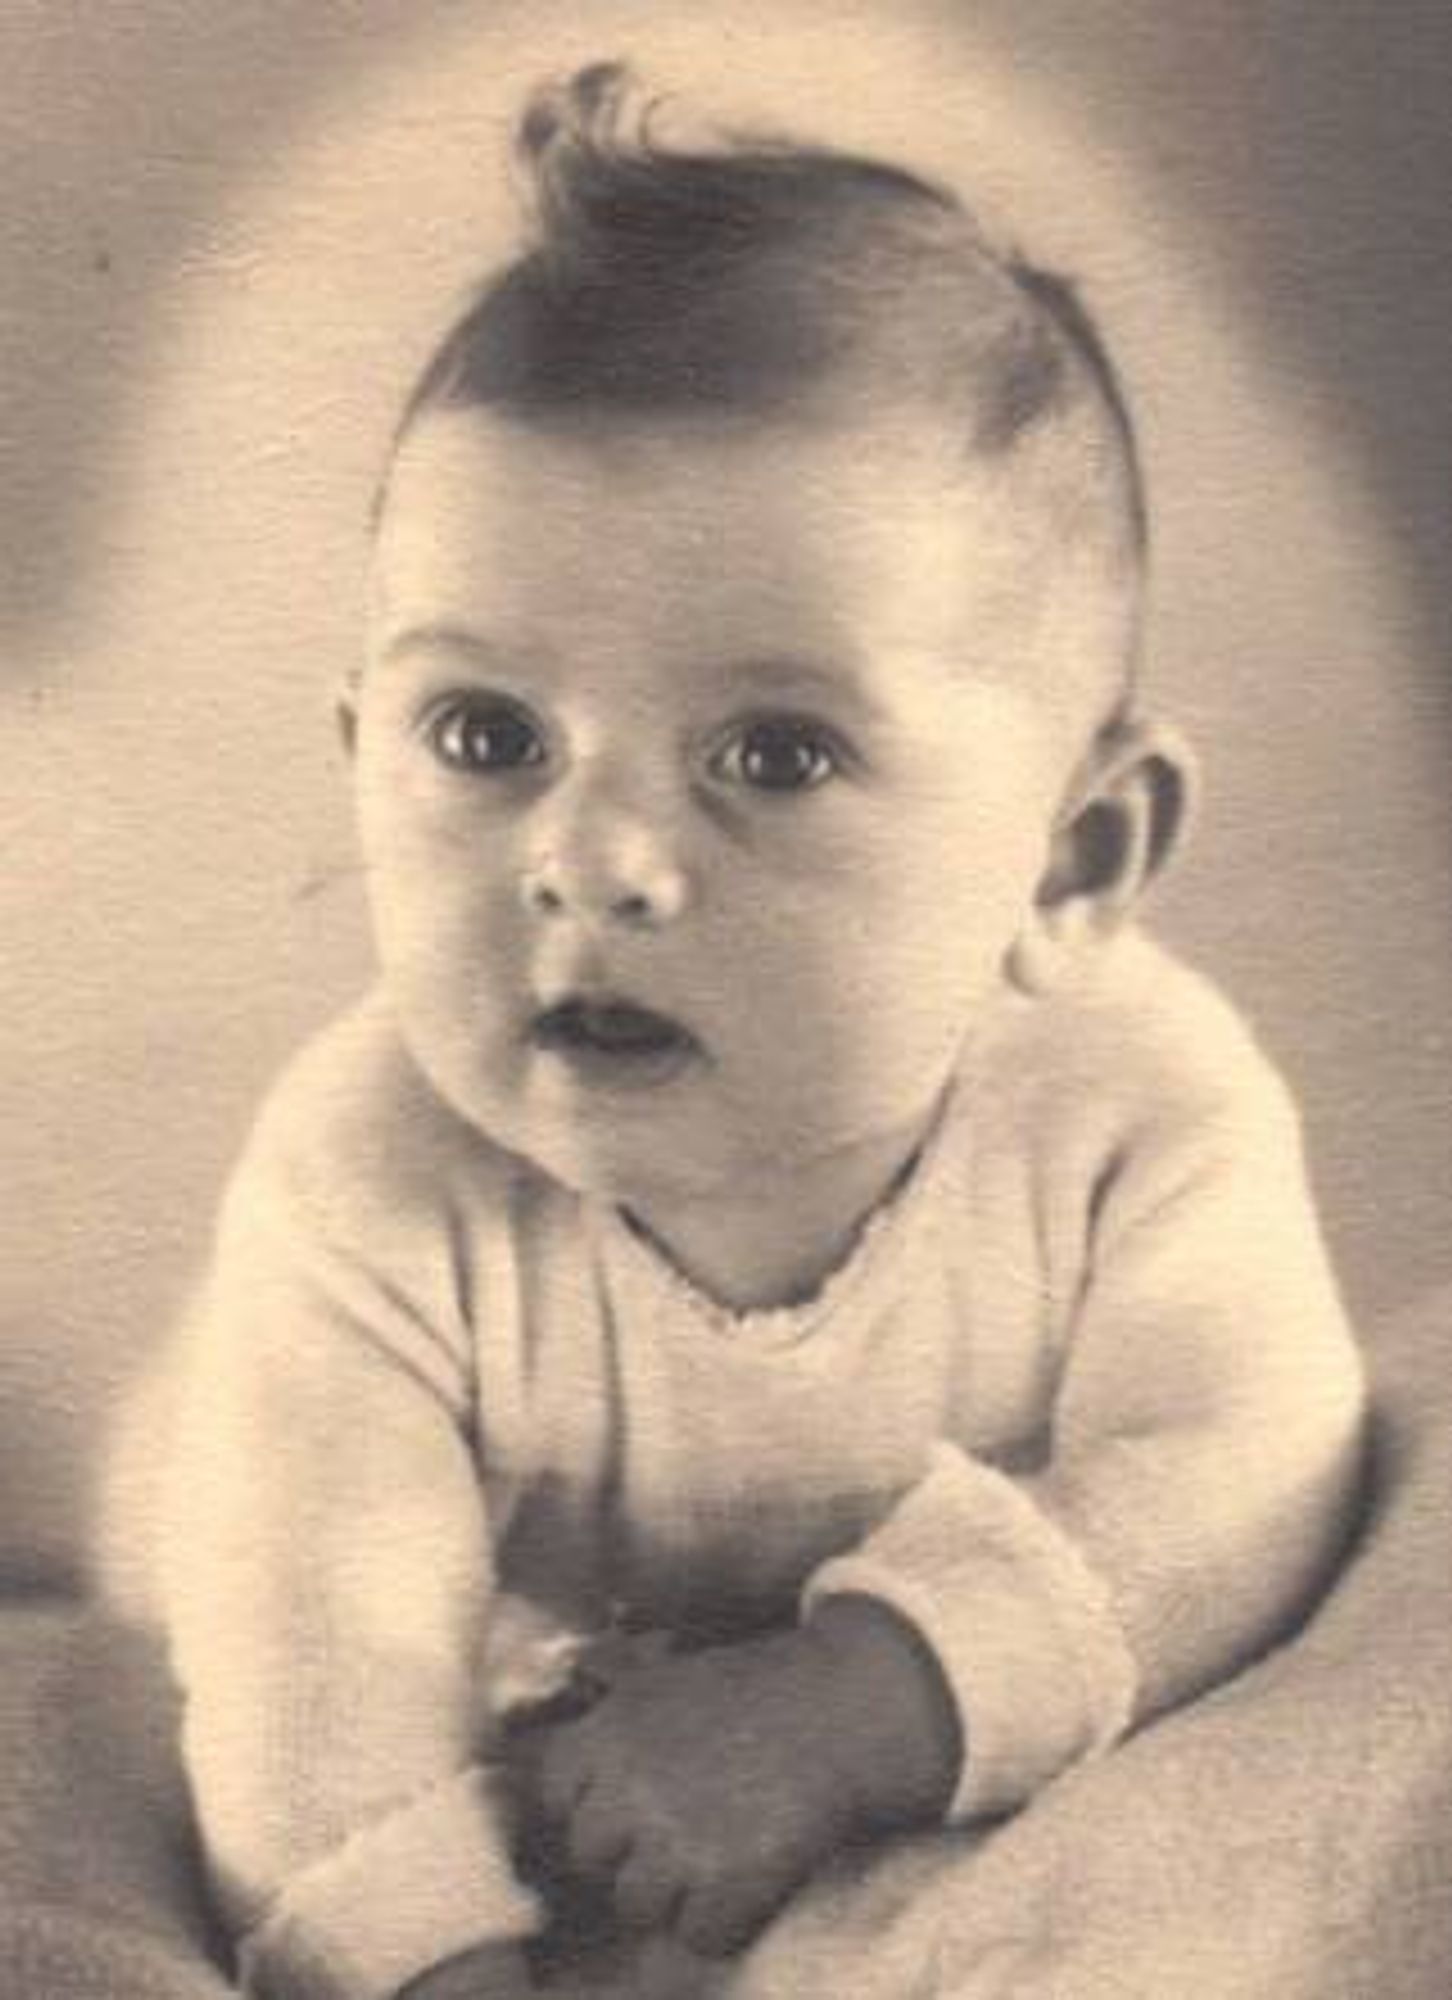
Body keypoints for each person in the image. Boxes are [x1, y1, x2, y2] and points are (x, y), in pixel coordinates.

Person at [131, 60, 1366, 2000]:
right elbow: (316, 1689)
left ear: (1074, 852)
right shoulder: (364, 1178)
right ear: (363, 751)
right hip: (499, 1681)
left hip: (854, 1699)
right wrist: (438, 1959)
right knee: (178, 1630)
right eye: (488, 737)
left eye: (773, 754)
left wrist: (855, 1703)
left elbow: (1242, 1470)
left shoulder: (1143, 1107)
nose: (595, 861)